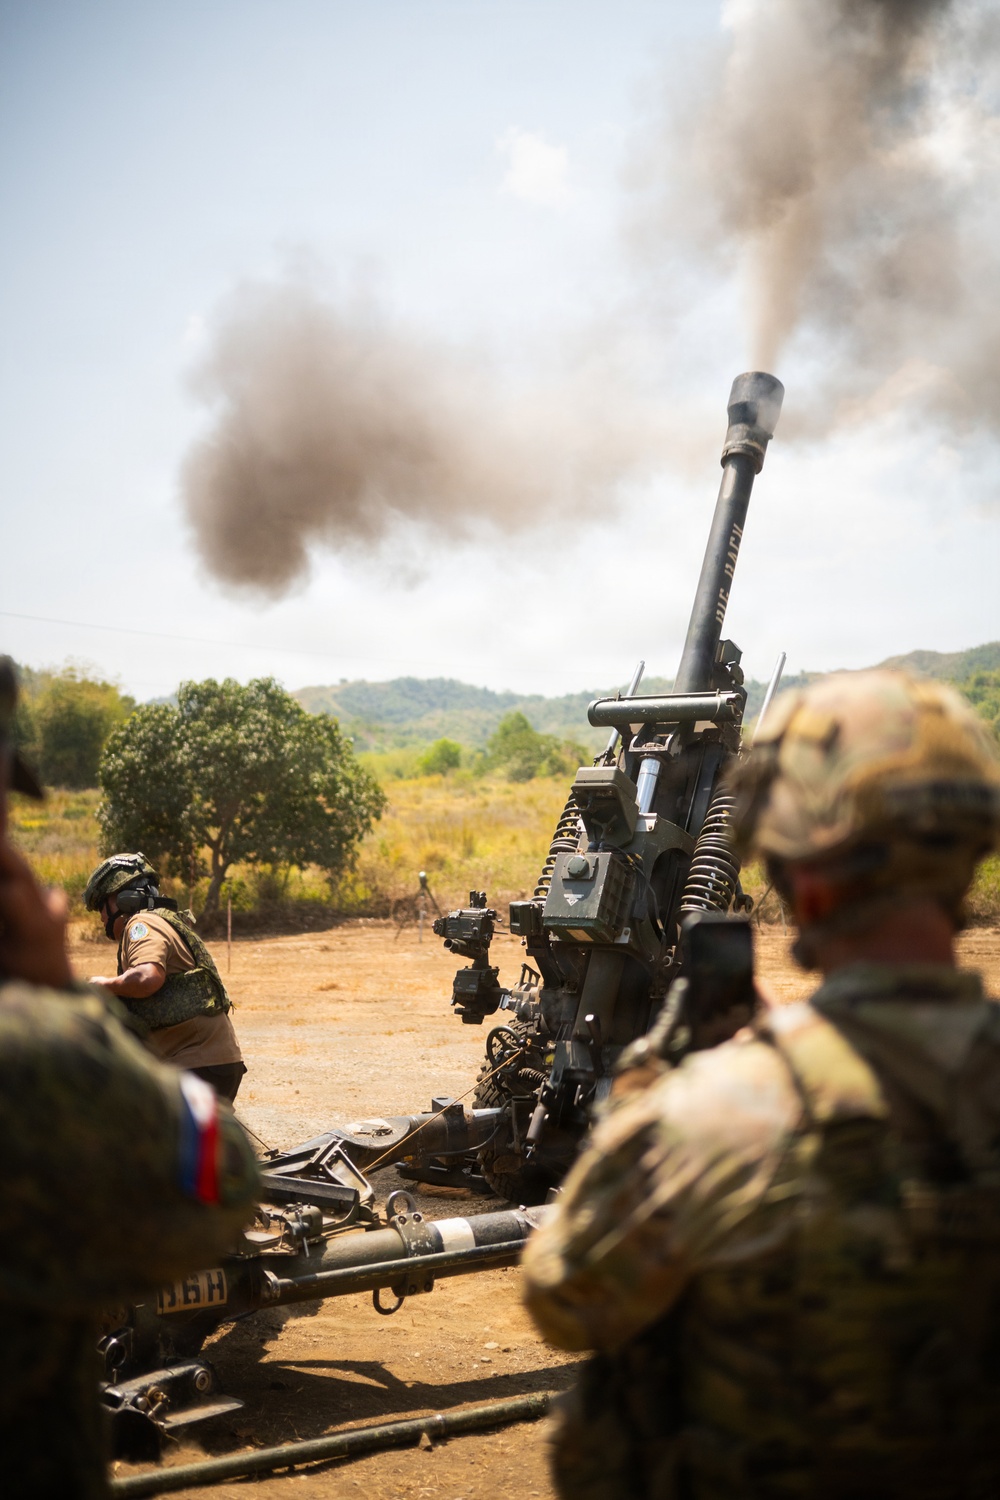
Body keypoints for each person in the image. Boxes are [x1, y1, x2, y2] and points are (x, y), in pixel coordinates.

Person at [523, 670, 1000, 1500]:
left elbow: (567, 1296)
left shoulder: (715, 1113)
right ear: (971, 850)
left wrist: (650, 1089)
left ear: (790, 869)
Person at [0, 656, 261, 1498]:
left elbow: (145, 984)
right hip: (192, 1075)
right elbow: (220, 1167)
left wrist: (83, 993)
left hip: (197, 1061)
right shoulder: (40, 1053)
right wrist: (53, 1011)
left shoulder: (145, 924)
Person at [85, 853, 246, 1101]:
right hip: (210, 1062)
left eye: (102, 907)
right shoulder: (163, 921)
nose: (102, 918)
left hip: (193, 1064)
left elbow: (147, 977)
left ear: (121, 900)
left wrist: (102, 985)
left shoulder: (141, 924)